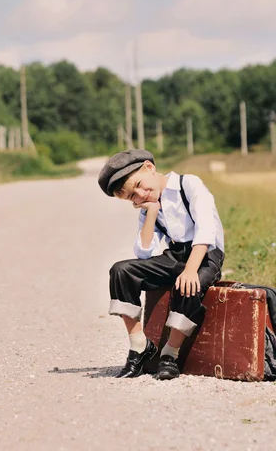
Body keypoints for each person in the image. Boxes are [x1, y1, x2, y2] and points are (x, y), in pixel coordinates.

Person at [98, 149, 224, 380]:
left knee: (189, 284)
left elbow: (206, 231)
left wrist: (190, 270)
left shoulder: (189, 184)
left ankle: (170, 353)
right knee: (122, 271)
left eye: (139, 184)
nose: (140, 195)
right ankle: (139, 346)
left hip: (205, 254)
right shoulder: (150, 206)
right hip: (175, 255)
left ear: (149, 168)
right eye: (131, 197)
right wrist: (153, 213)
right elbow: (144, 252)